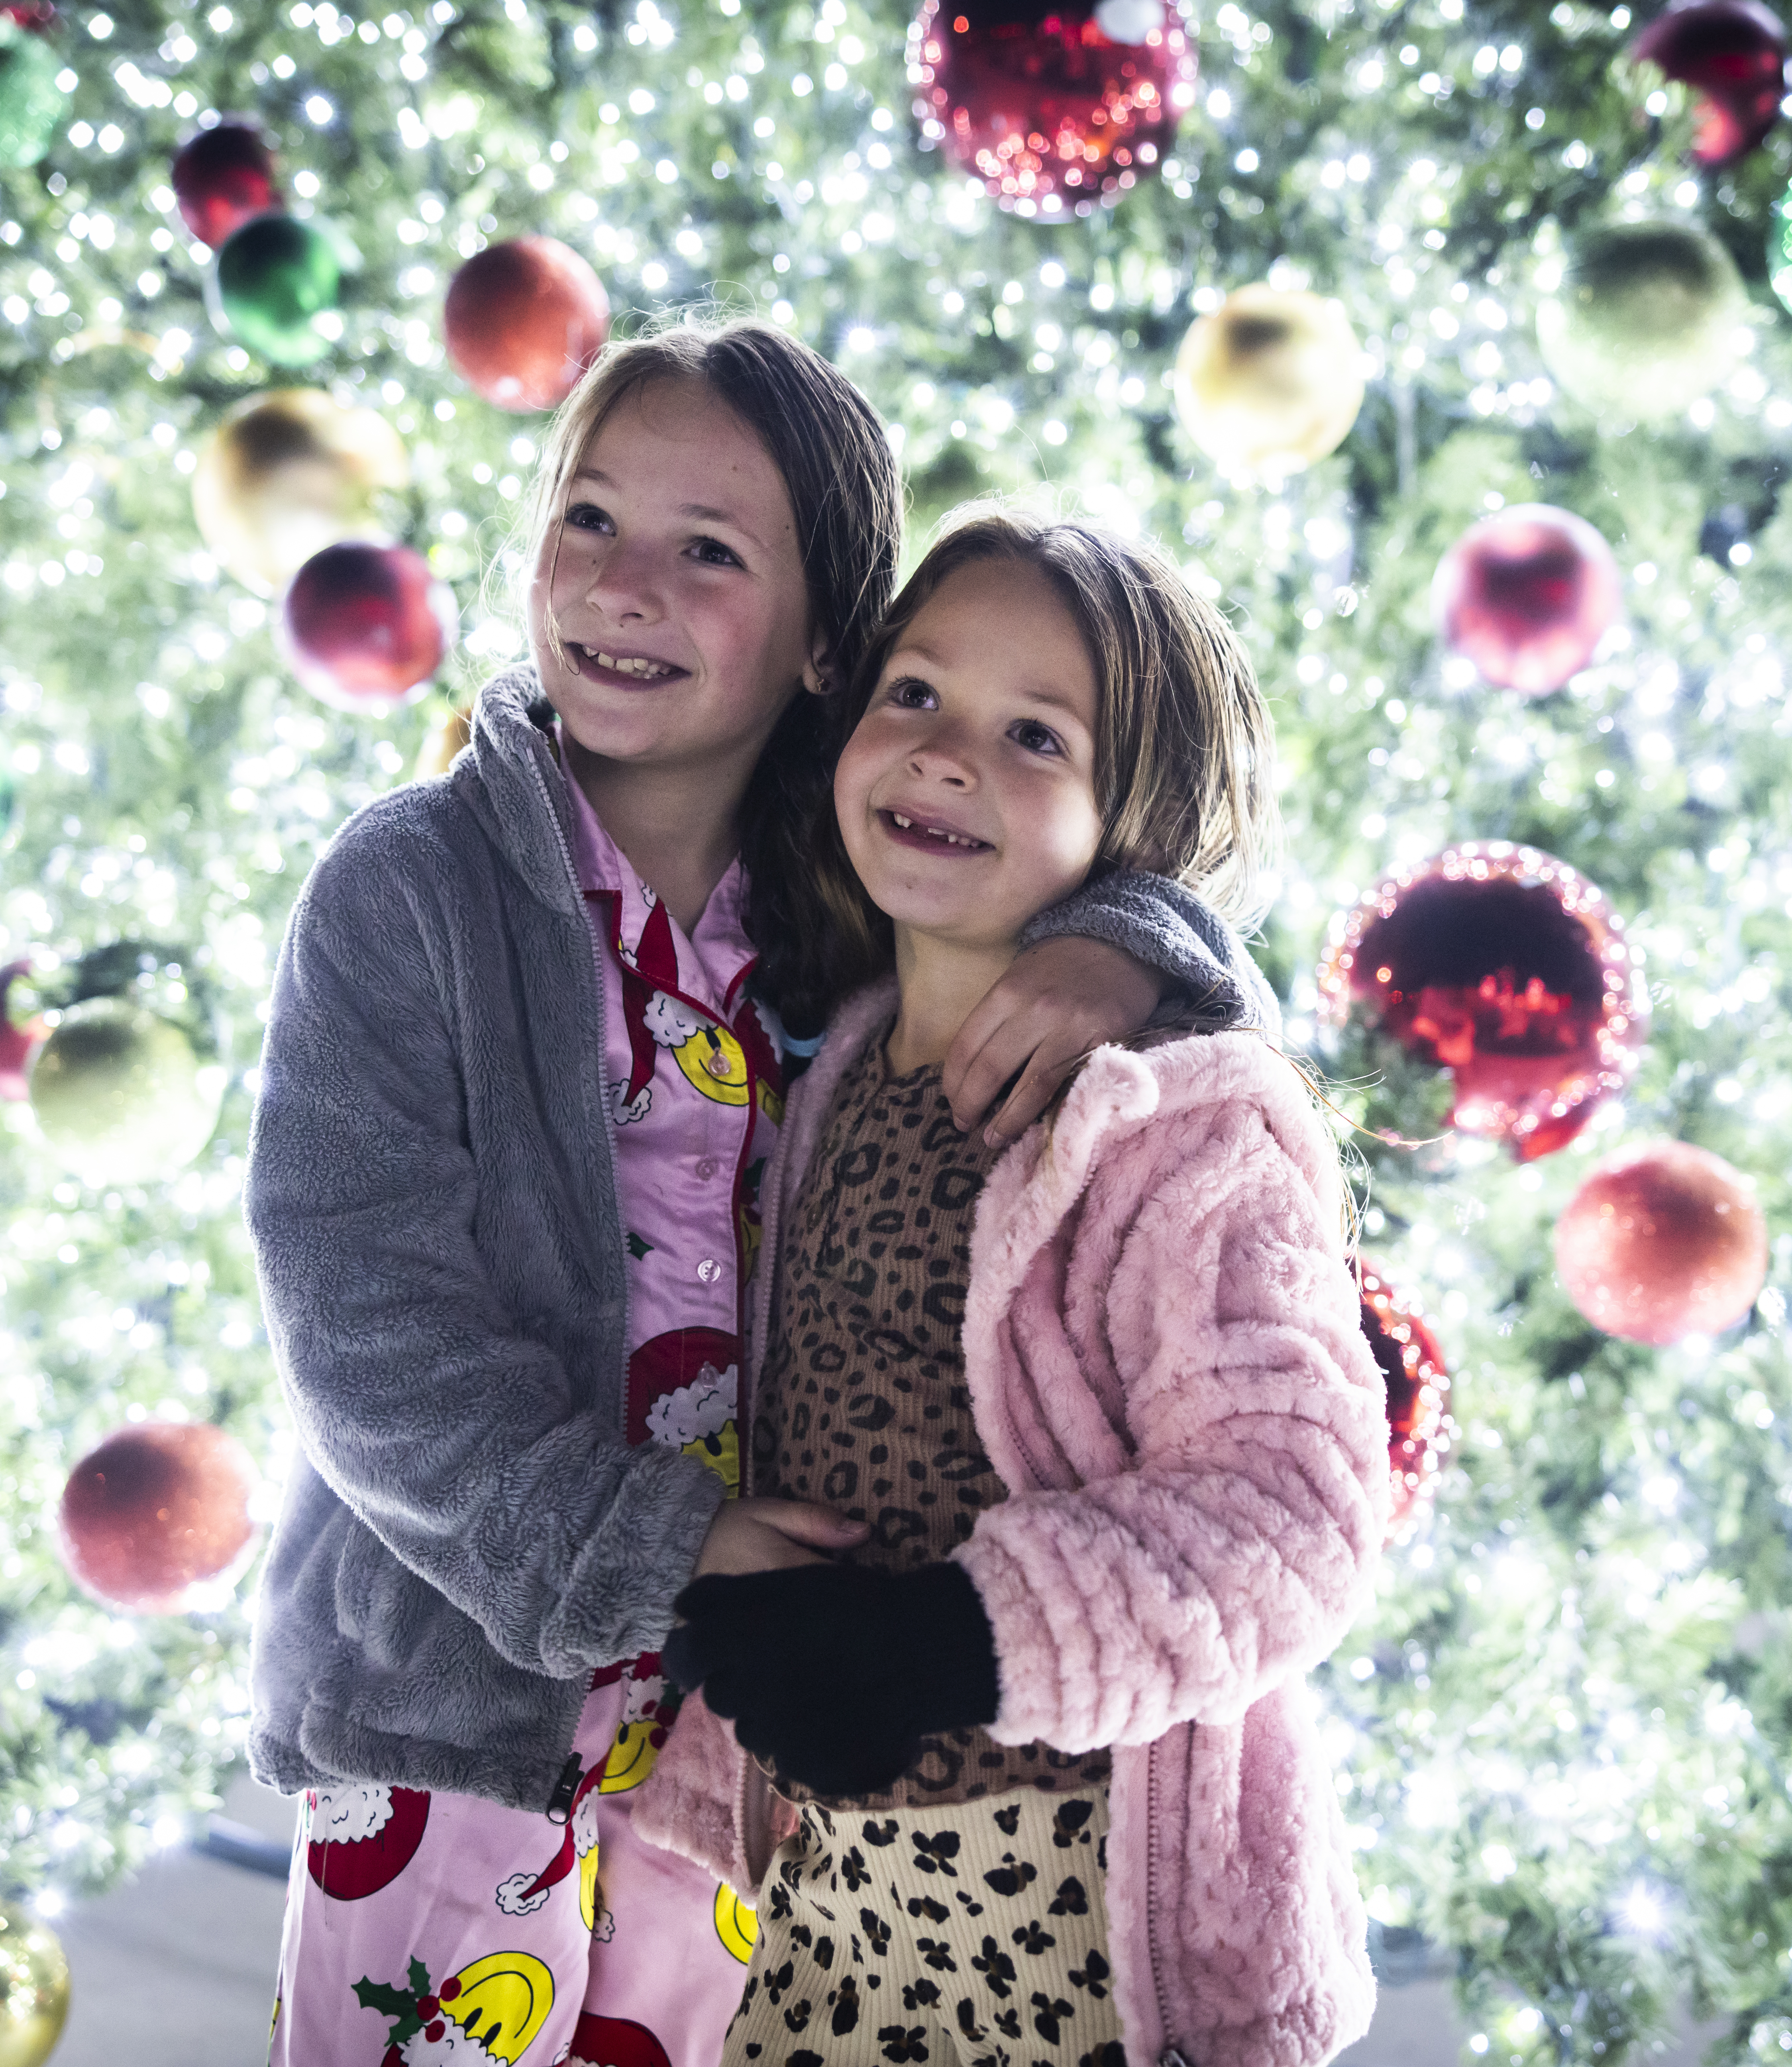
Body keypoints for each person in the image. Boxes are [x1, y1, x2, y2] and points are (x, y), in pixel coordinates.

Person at [243, 325, 1274, 2067]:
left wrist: (1130, 945)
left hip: (740, 1750)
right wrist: (642, 1542)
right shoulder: (409, 889)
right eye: (588, 518)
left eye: (708, 549)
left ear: (825, 643)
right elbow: (358, 1318)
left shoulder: (863, 906)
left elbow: (1128, 864)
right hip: (454, 1717)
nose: (622, 584)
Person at [651, 510, 1388, 2067]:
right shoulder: (838, 1055)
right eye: (914, 693)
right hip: (837, 1903)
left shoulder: (1175, 1120)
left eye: (1033, 734)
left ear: (1137, 817)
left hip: (1080, 1912)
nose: (944, 753)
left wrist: (946, 1641)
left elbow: (1298, 1512)